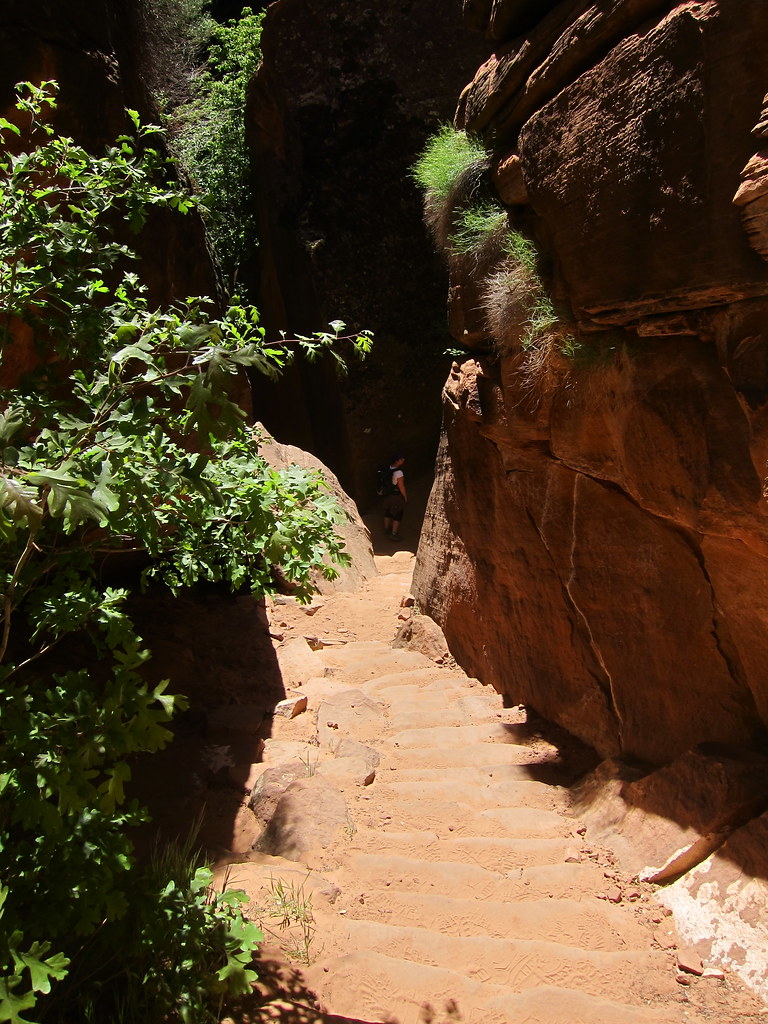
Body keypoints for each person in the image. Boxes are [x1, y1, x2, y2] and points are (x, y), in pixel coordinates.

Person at [383, 454, 407, 538]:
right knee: (398, 512)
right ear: (397, 461)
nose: (403, 460)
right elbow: (401, 486)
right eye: (401, 459)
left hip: (387, 494)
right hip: (396, 495)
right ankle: (394, 534)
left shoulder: (387, 468)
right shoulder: (399, 472)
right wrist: (405, 496)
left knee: (388, 510)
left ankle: (386, 529)